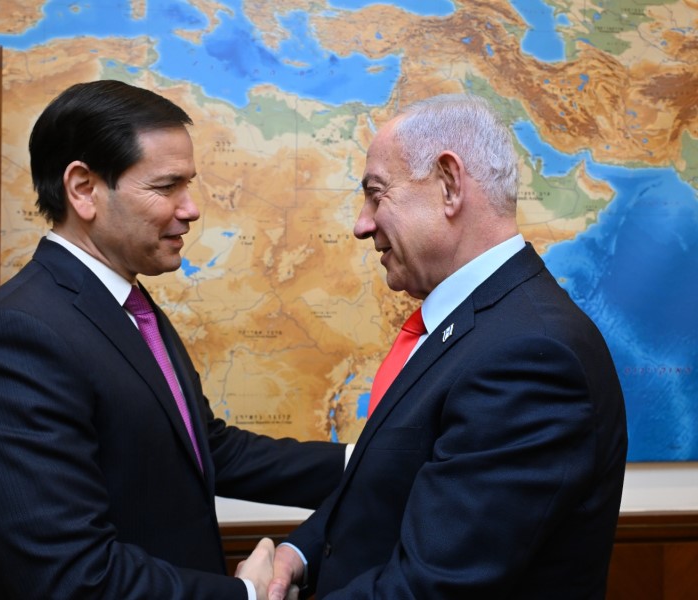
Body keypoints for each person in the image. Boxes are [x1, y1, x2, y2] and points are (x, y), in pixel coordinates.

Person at [0, 79, 347, 600]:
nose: (192, 208)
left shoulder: (127, 305)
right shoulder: (12, 338)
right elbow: (71, 576)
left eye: (189, 183)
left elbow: (202, 448)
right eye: (166, 186)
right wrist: (244, 595)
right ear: (84, 189)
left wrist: (363, 458)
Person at [266, 94, 628, 599]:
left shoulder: (530, 356)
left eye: (376, 194)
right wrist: (301, 551)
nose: (361, 223)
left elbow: (433, 586)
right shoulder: (472, 325)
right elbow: (390, 483)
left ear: (449, 185)